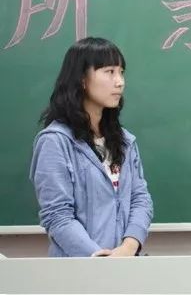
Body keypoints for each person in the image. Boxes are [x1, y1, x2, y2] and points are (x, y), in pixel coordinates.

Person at [30, 37, 153, 257]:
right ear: (82, 80)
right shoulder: (55, 141)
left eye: (121, 72)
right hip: (78, 268)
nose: (120, 82)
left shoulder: (125, 141)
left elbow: (140, 199)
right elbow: (57, 215)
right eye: (109, 72)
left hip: (127, 266)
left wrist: (128, 247)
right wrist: (97, 256)